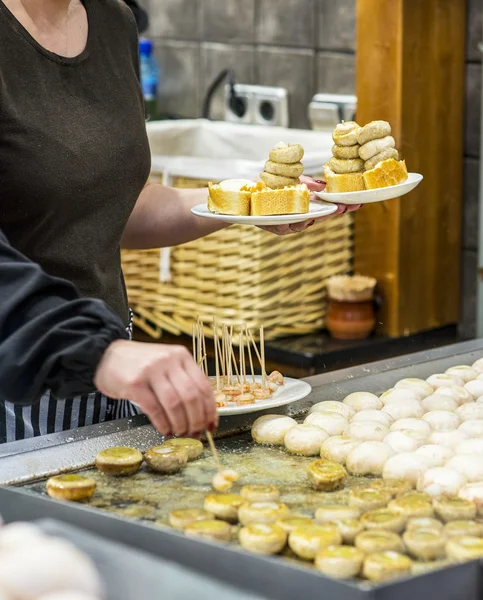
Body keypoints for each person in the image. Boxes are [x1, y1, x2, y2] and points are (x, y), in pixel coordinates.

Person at [0, 0, 359, 442]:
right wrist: (98, 353)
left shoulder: (113, 21)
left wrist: (245, 202)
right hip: (19, 374)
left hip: (105, 363)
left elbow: (116, 210)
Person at [0, 228, 216, 442]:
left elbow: (128, 213)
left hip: (109, 348)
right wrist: (91, 347)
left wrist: (228, 207)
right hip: (30, 348)